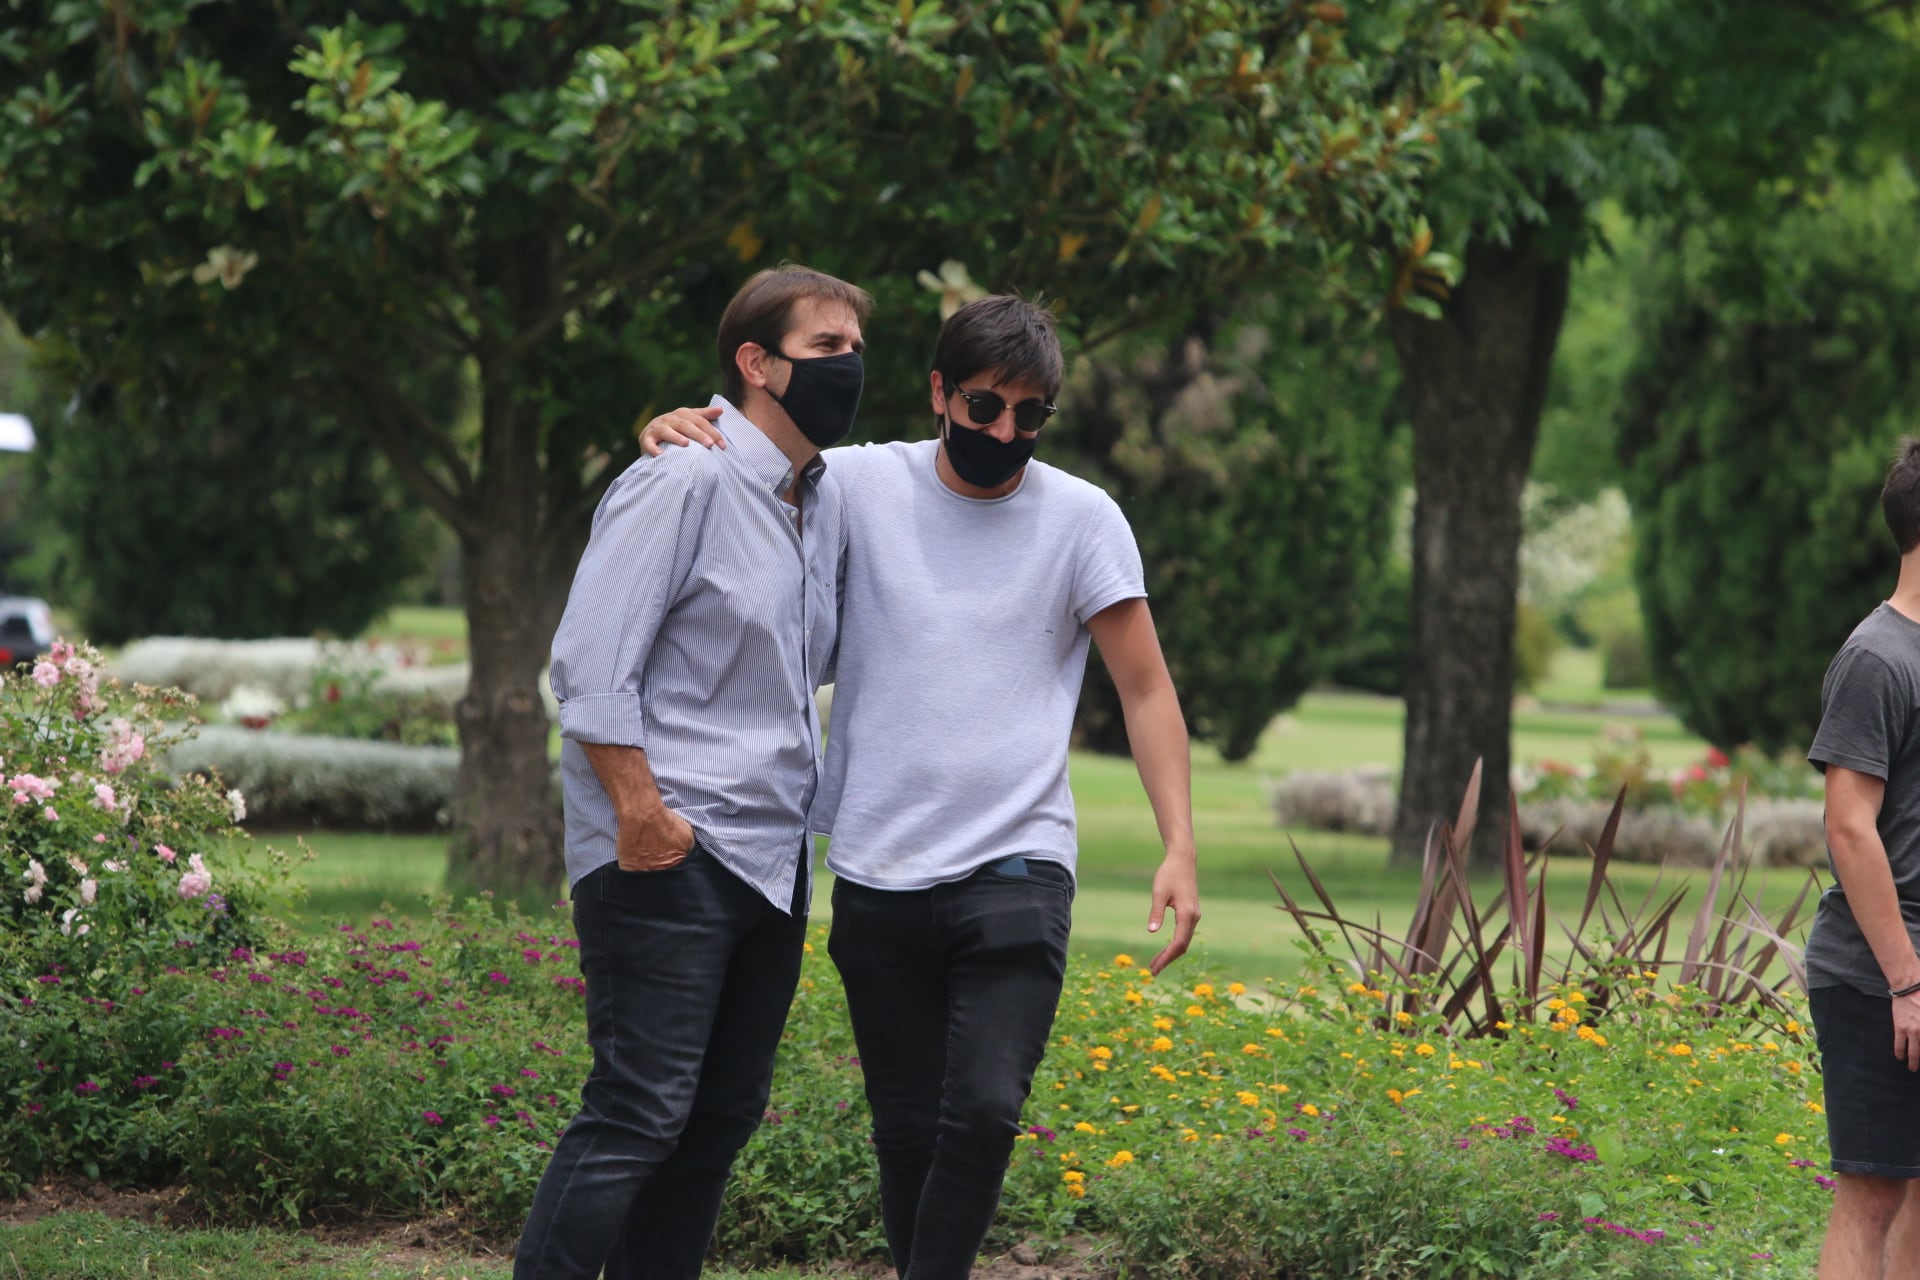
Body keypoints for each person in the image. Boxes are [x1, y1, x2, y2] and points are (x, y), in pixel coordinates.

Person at [641, 294, 1200, 1279]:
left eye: (1031, 416)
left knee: (983, 1107)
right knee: (904, 1128)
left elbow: (1146, 689)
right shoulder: (858, 485)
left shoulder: (1082, 519)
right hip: (878, 867)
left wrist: (1179, 846)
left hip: (1018, 866)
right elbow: (747, 457)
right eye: (986, 406)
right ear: (940, 391)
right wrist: (677, 426)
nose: (1005, 432)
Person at [515, 264, 868, 1280]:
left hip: (771, 855)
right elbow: (586, 660)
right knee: (638, 1109)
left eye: (855, 347)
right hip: (671, 847)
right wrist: (642, 812)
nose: (849, 366)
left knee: (716, 1119)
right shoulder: (684, 477)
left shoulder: (824, 497)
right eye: (826, 348)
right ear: (756, 362)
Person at [1807, 436, 1920, 1279]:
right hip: (1880, 975)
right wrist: (1907, 982)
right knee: (1871, 1194)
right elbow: (1850, 828)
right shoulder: (1876, 658)